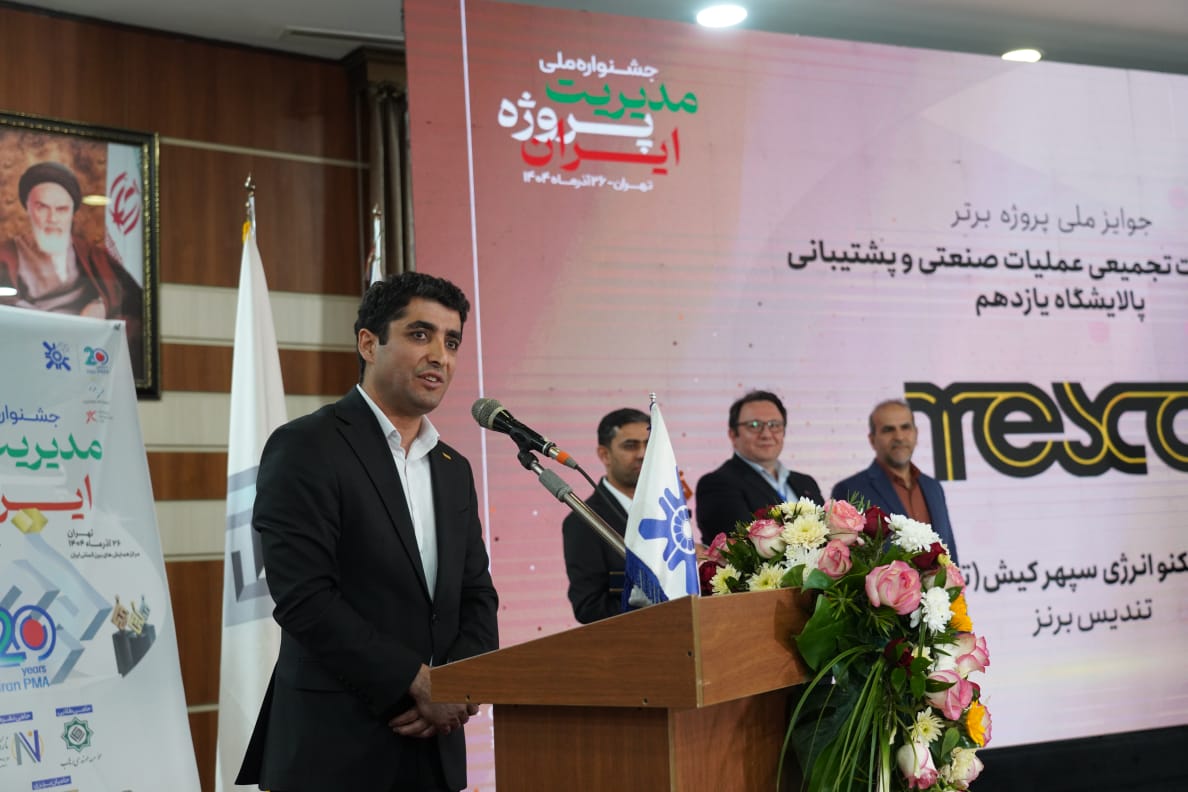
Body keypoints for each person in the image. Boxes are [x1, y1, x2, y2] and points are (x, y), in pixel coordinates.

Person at [236, 272, 499, 792]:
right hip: (334, 750)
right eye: (420, 334)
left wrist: (456, 684)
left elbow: (476, 595)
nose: (440, 356)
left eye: (451, 342)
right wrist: (417, 683)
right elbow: (304, 598)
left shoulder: (453, 468)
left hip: (434, 750)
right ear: (368, 343)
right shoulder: (306, 447)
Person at [0, 162, 143, 365]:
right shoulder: (6, 255)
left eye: (61, 209)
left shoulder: (93, 255)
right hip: (28, 355)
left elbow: (137, 304)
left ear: (72, 212)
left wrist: (101, 305)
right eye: (42, 207)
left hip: (85, 357)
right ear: (28, 208)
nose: (52, 218)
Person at [830, 398, 958, 563]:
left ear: (916, 433)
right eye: (888, 430)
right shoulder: (850, 490)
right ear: (872, 439)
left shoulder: (933, 487)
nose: (899, 436)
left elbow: (950, 555)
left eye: (905, 427)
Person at [694, 390, 824, 545]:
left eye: (774, 425)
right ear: (733, 434)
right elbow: (740, 547)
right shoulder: (717, 484)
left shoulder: (806, 483)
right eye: (754, 425)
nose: (766, 434)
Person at [562, 407, 649, 623]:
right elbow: (589, 607)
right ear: (604, 454)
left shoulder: (666, 509)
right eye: (630, 445)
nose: (642, 454)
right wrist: (657, 604)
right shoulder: (583, 521)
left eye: (648, 444)